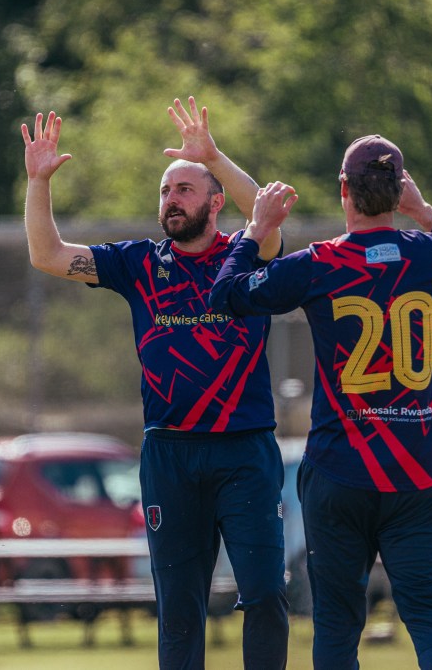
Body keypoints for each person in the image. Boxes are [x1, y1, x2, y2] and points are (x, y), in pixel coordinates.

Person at [209, 135, 432, 670]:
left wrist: (256, 231)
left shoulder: (320, 262)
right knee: (429, 610)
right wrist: (426, 214)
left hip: (341, 470)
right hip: (416, 470)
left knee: (338, 623)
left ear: (343, 189)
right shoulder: (431, 254)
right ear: (399, 191)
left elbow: (226, 295)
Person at [22, 97, 289, 669]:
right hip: (170, 454)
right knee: (179, 612)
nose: (171, 199)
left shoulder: (245, 255)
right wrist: (38, 182)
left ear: (215, 202)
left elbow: (266, 215)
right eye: (166, 191)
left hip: (244, 451)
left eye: (185, 190)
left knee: (266, 595)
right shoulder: (140, 263)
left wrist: (213, 157)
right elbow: (47, 255)